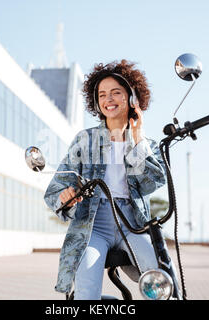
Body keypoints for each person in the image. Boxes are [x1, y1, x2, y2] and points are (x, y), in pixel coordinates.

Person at [44, 59, 168, 300]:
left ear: (132, 98)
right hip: (93, 225)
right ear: (96, 102)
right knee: (87, 289)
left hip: (132, 224)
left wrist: (137, 138)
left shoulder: (147, 144)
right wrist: (66, 197)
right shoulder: (85, 140)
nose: (108, 99)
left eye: (116, 93)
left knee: (161, 281)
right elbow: (54, 190)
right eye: (102, 95)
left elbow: (154, 181)